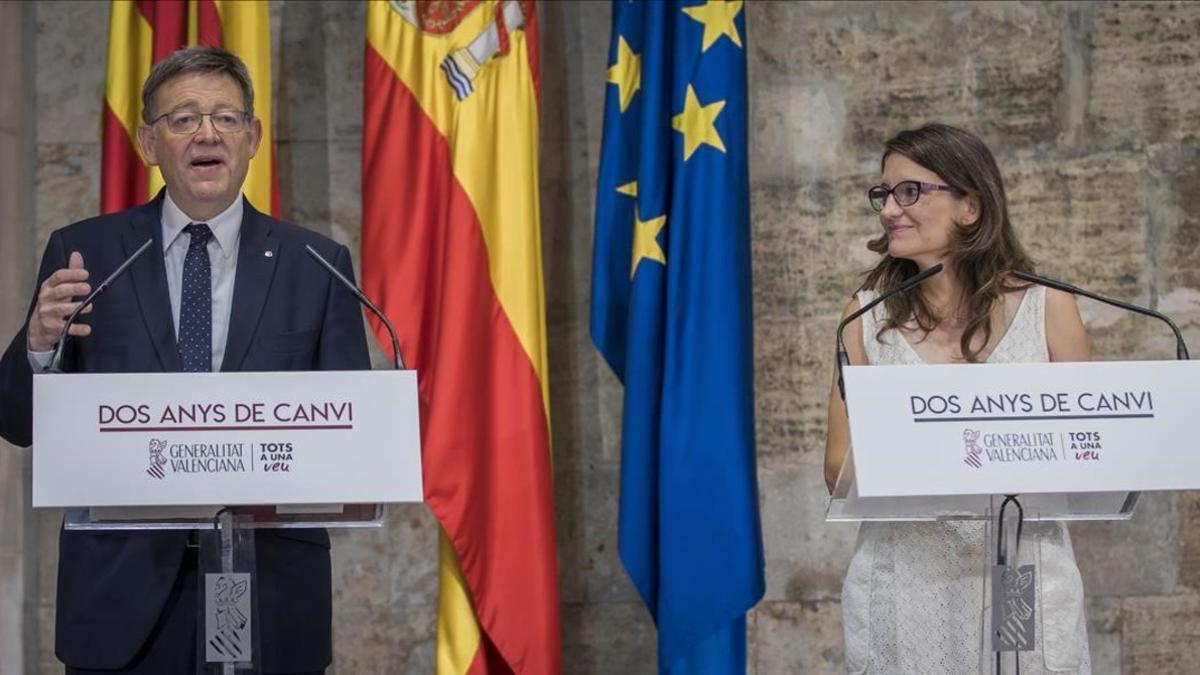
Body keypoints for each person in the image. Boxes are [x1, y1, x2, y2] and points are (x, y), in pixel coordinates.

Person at [0, 47, 368, 674]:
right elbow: (18, 422)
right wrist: (38, 343)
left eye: (226, 118)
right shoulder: (86, 252)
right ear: (148, 141)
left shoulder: (317, 264)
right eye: (183, 119)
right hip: (122, 596)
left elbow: (350, 439)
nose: (207, 133)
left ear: (252, 139)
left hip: (273, 589)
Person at [824, 123, 1092, 674]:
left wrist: (939, 454)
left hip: (1019, 571)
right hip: (905, 575)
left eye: (910, 191)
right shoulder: (864, 314)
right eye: (885, 194)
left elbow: (1087, 449)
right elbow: (836, 468)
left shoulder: (1050, 306)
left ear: (970, 205)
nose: (889, 209)